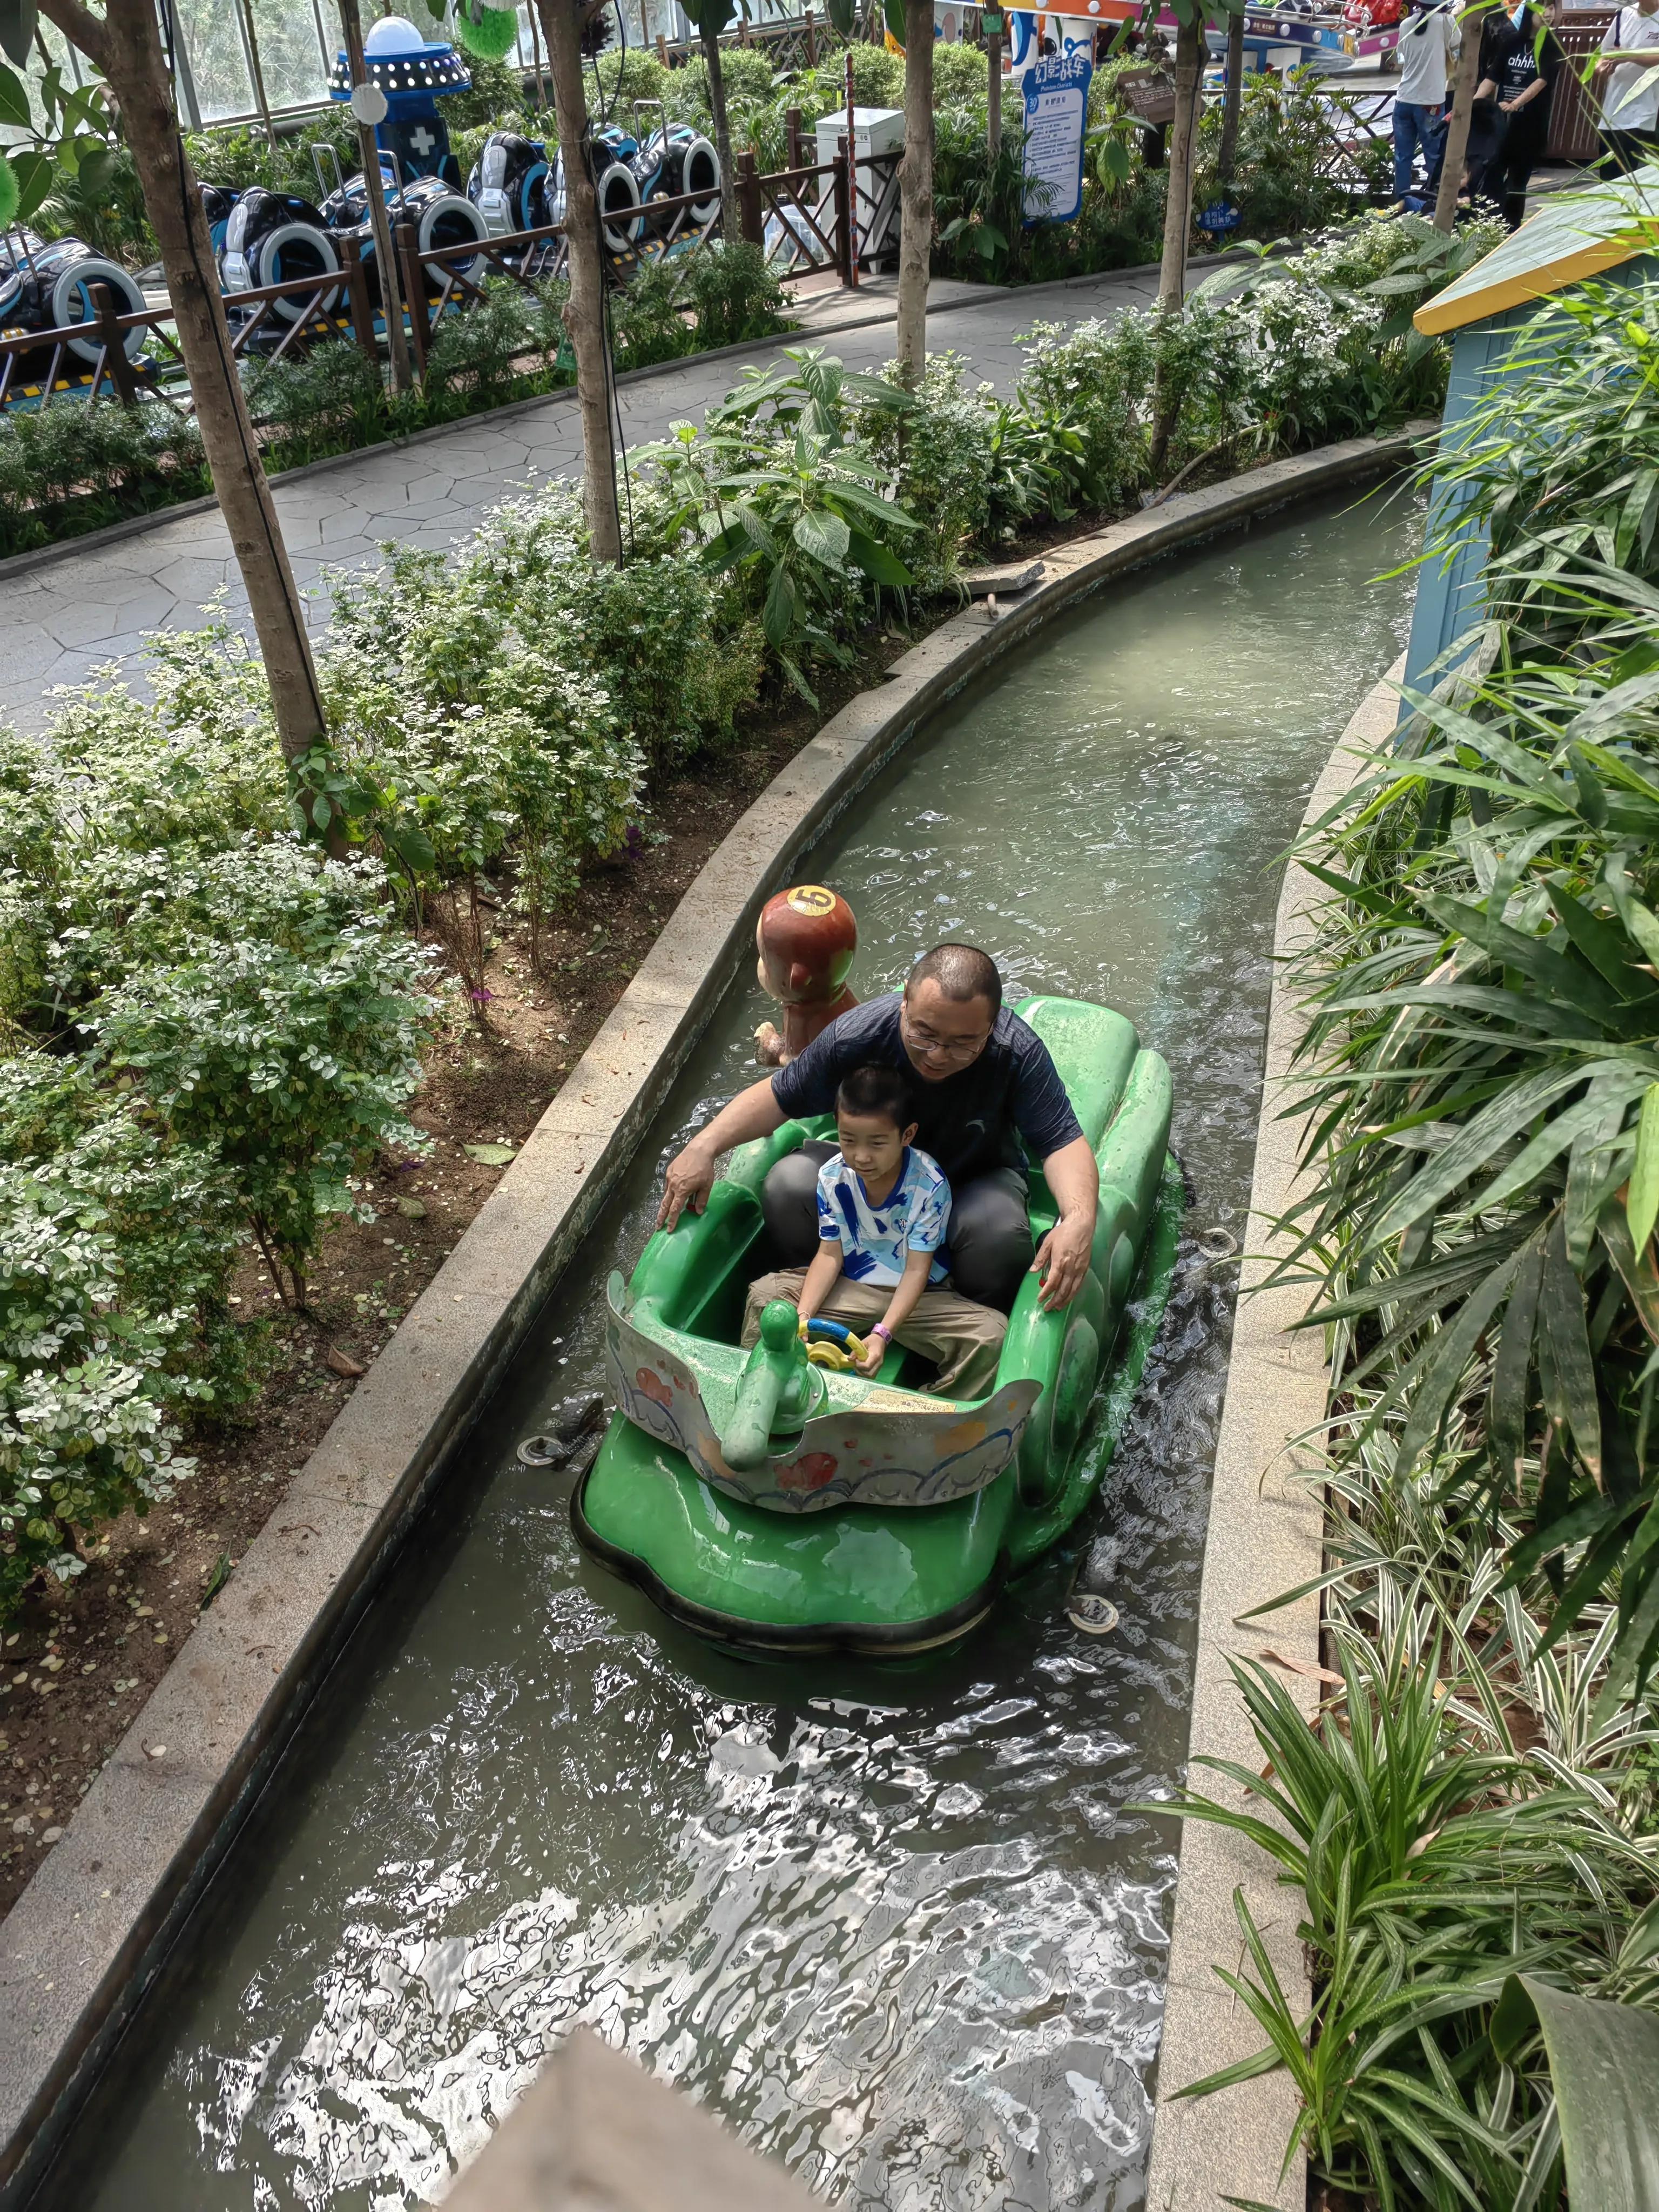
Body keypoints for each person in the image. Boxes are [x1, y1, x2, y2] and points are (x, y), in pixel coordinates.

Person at [658, 942, 1099, 1318]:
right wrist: (703, 1146)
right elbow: (780, 1095)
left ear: (993, 1024)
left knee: (998, 1233)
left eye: (964, 1043)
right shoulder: (858, 1036)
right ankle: (824, 1296)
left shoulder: (1016, 1053)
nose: (938, 1055)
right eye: (924, 1033)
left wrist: (1079, 1218)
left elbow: (1062, 1141)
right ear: (904, 1001)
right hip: (870, 1172)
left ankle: (963, 1318)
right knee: (788, 1185)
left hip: (971, 1180)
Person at [740, 1064, 1008, 1401]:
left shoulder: (929, 1184)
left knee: (993, 1336)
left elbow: (917, 1270)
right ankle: (766, 1395)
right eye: (848, 1140)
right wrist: (803, 1319)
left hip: (920, 1296)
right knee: (766, 1297)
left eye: (877, 1143)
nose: (861, 1157)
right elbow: (829, 1254)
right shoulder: (832, 1176)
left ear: (907, 1135)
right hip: (852, 1288)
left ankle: (930, 1413)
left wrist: (883, 1334)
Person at [1469, 0, 1561, 230]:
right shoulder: (1512, 43)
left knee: (1517, 184)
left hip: (1530, 126)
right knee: (1491, 177)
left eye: (1552, 7)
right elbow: (1493, 77)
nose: (1548, 13)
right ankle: (1489, 226)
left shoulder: (1552, 45)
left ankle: (1512, 228)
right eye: (1543, 7)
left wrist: (1516, 103)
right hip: (1502, 126)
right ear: (1530, 10)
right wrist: (1474, 103)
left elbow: (1542, 81)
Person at [1393, 0, 1460, 208]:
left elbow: (1401, 58)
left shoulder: (1405, 24)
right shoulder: (1447, 22)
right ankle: (1433, 205)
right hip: (1431, 103)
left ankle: (1402, 204)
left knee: (1402, 158)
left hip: (1404, 99)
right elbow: (1458, 52)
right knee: (1433, 157)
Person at [1596, 0, 1659, 173]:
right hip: (1613, 107)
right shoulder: (1623, 14)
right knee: (1610, 175)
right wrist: (1601, 67)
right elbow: (1605, 52)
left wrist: (1630, 56)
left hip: (1644, 110)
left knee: (1633, 175)